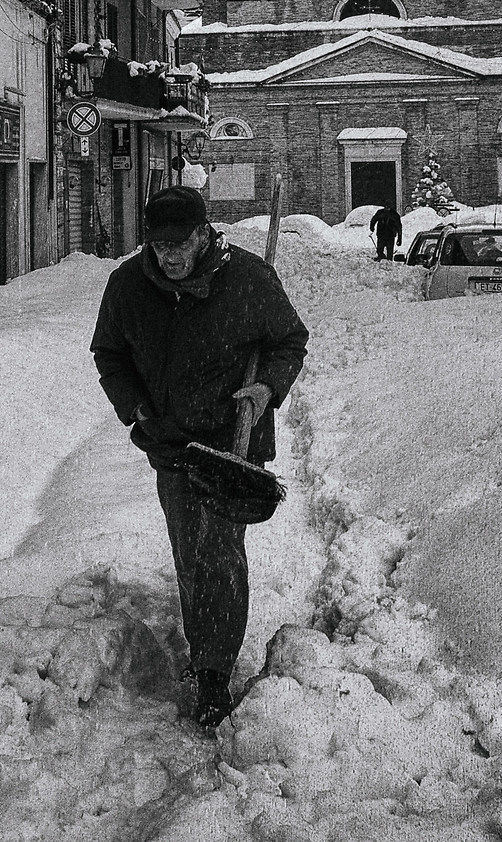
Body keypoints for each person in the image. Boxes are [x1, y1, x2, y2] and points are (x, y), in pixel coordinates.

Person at [89, 186, 308, 729]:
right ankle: (204, 647)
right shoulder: (128, 287)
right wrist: (135, 407)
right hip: (171, 441)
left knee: (221, 553)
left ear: (204, 233)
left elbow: (289, 341)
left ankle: (213, 671)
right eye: (158, 247)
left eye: (179, 244)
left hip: (233, 444)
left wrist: (266, 391)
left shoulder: (249, 280)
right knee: (191, 554)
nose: (169, 257)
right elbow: (109, 354)